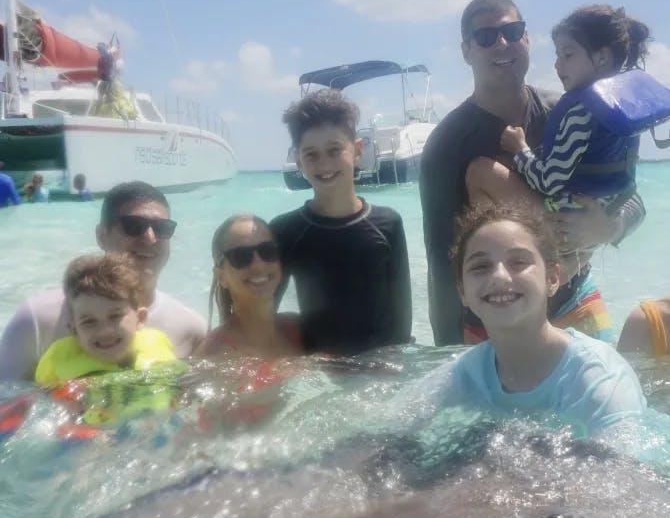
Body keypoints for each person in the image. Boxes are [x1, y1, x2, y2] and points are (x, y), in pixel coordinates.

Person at [420, 0, 646, 347]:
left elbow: (631, 195)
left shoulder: (572, 112)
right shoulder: (447, 145)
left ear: (527, 38)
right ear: (467, 52)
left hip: (575, 299)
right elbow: (441, 260)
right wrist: (449, 355)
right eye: (485, 37)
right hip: (495, 321)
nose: (502, 44)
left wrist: (609, 227)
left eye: (513, 31)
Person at [419, 201, 645, 437]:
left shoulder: (598, 381)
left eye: (519, 262)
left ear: (552, 278)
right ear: (462, 291)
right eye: (481, 266)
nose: (499, 276)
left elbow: (624, 470)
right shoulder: (465, 374)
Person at [0, 180, 206, 381]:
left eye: (162, 228)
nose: (150, 238)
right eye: (133, 226)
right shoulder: (36, 320)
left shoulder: (192, 329)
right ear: (101, 236)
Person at [272, 88, 412, 355]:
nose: (324, 164)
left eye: (335, 150)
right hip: (319, 376)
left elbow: (402, 320)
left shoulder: (388, 223)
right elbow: (263, 313)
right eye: (311, 154)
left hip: (379, 374)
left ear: (357, 150)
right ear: (298, 160)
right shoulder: (286, 231)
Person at [500, 5, 666, 215]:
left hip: (571, 216)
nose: (557, 65)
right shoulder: (624, 107)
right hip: (611, 206)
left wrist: (519, 149)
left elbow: (549, 182)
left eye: (567, 55)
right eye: (557, 55)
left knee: (484, 174)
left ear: (601, 58)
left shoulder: (580, 113)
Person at [35, 253, 176, 384]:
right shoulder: (57, 364)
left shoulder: (158, 355)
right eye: (89, 321)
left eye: (115, 316)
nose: (105, 331)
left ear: (140, 319)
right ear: (74, 331)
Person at [196, 214, 302, 359]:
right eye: (241, 256)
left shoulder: (297, 329)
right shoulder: (215, 354)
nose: (258, 265)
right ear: (222, 277)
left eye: (267, 251)